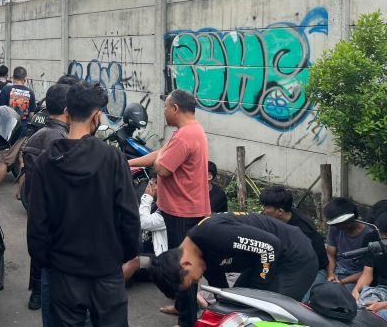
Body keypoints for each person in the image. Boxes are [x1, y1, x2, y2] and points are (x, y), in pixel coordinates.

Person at [28, 81, 140, 326]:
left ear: (67, 112)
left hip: (63, 273)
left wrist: (47, 262)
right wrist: (131, 255)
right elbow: (129, 215)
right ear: (97, 116)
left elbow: (37, 223)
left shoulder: (46, 162)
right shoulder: (112, 158)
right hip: (107, 271)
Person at [128, 89, 210, 327]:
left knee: (183, 266)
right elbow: (159, 155)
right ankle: (181, 306)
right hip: (182, 208)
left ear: (175, 109)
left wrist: (157, 159)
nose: (163, 112)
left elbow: (162, 168)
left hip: (183, 212)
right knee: (180, 264)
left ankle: (187, 320)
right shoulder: (188, 131)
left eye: (166, 107)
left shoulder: (185, 136)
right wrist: (127, 162)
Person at [150, 213, 318, 304]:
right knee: (237, 306)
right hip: (262, 260)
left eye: (193, 280)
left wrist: (259, 294)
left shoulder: (213, 234)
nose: (199, 279)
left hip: (294, 257)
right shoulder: (200, 257)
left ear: (185, 264)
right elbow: (223, 290)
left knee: (268, 310)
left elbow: (269, 247)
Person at [20, 83, 70, 311]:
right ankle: (47, 293)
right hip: (55, 207)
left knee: (38, 245)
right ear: (68, 108)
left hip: (35, 203)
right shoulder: (62, 139)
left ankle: (37, 293)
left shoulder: (36, 135)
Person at [259, 185, 328, 278]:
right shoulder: (286, 216)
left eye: (266, 207)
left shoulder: (302, 231)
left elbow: (303, 260)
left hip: (311, 269)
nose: (263, 210)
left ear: (280, 211)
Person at [0, 66, 37, 190]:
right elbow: (31, 115)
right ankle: (20, 193)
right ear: (25, 79)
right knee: (22, 162)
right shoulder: (30, 93)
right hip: (24, 131)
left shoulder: (6, 91)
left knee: (3, 162)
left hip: (8, 133)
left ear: (13, 77)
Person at [324, 197, 378, 288]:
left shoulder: (370, 234)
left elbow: (368, 271)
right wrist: (331, 274)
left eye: (340, 223)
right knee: (314, 286)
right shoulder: (335, 227)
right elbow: (330, 254)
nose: (336, 226)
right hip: (337, 270)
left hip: (357, 277)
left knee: (340, 296)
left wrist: (342, 282)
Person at [352, 212, 387, 320]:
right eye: (384, 235)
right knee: (359, 308)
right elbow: (367, 273)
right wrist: (356, 290)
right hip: (383, 288)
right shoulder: (373, 241)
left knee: (382, 315)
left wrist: (384, 305)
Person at [140, 177, 168, 257]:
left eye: (152, 184)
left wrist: (147, 197)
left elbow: (143, 222)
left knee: (133, 263)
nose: (149, 187)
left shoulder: (168, 210)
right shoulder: (154, 205)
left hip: (158, 259)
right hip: (143, 252)